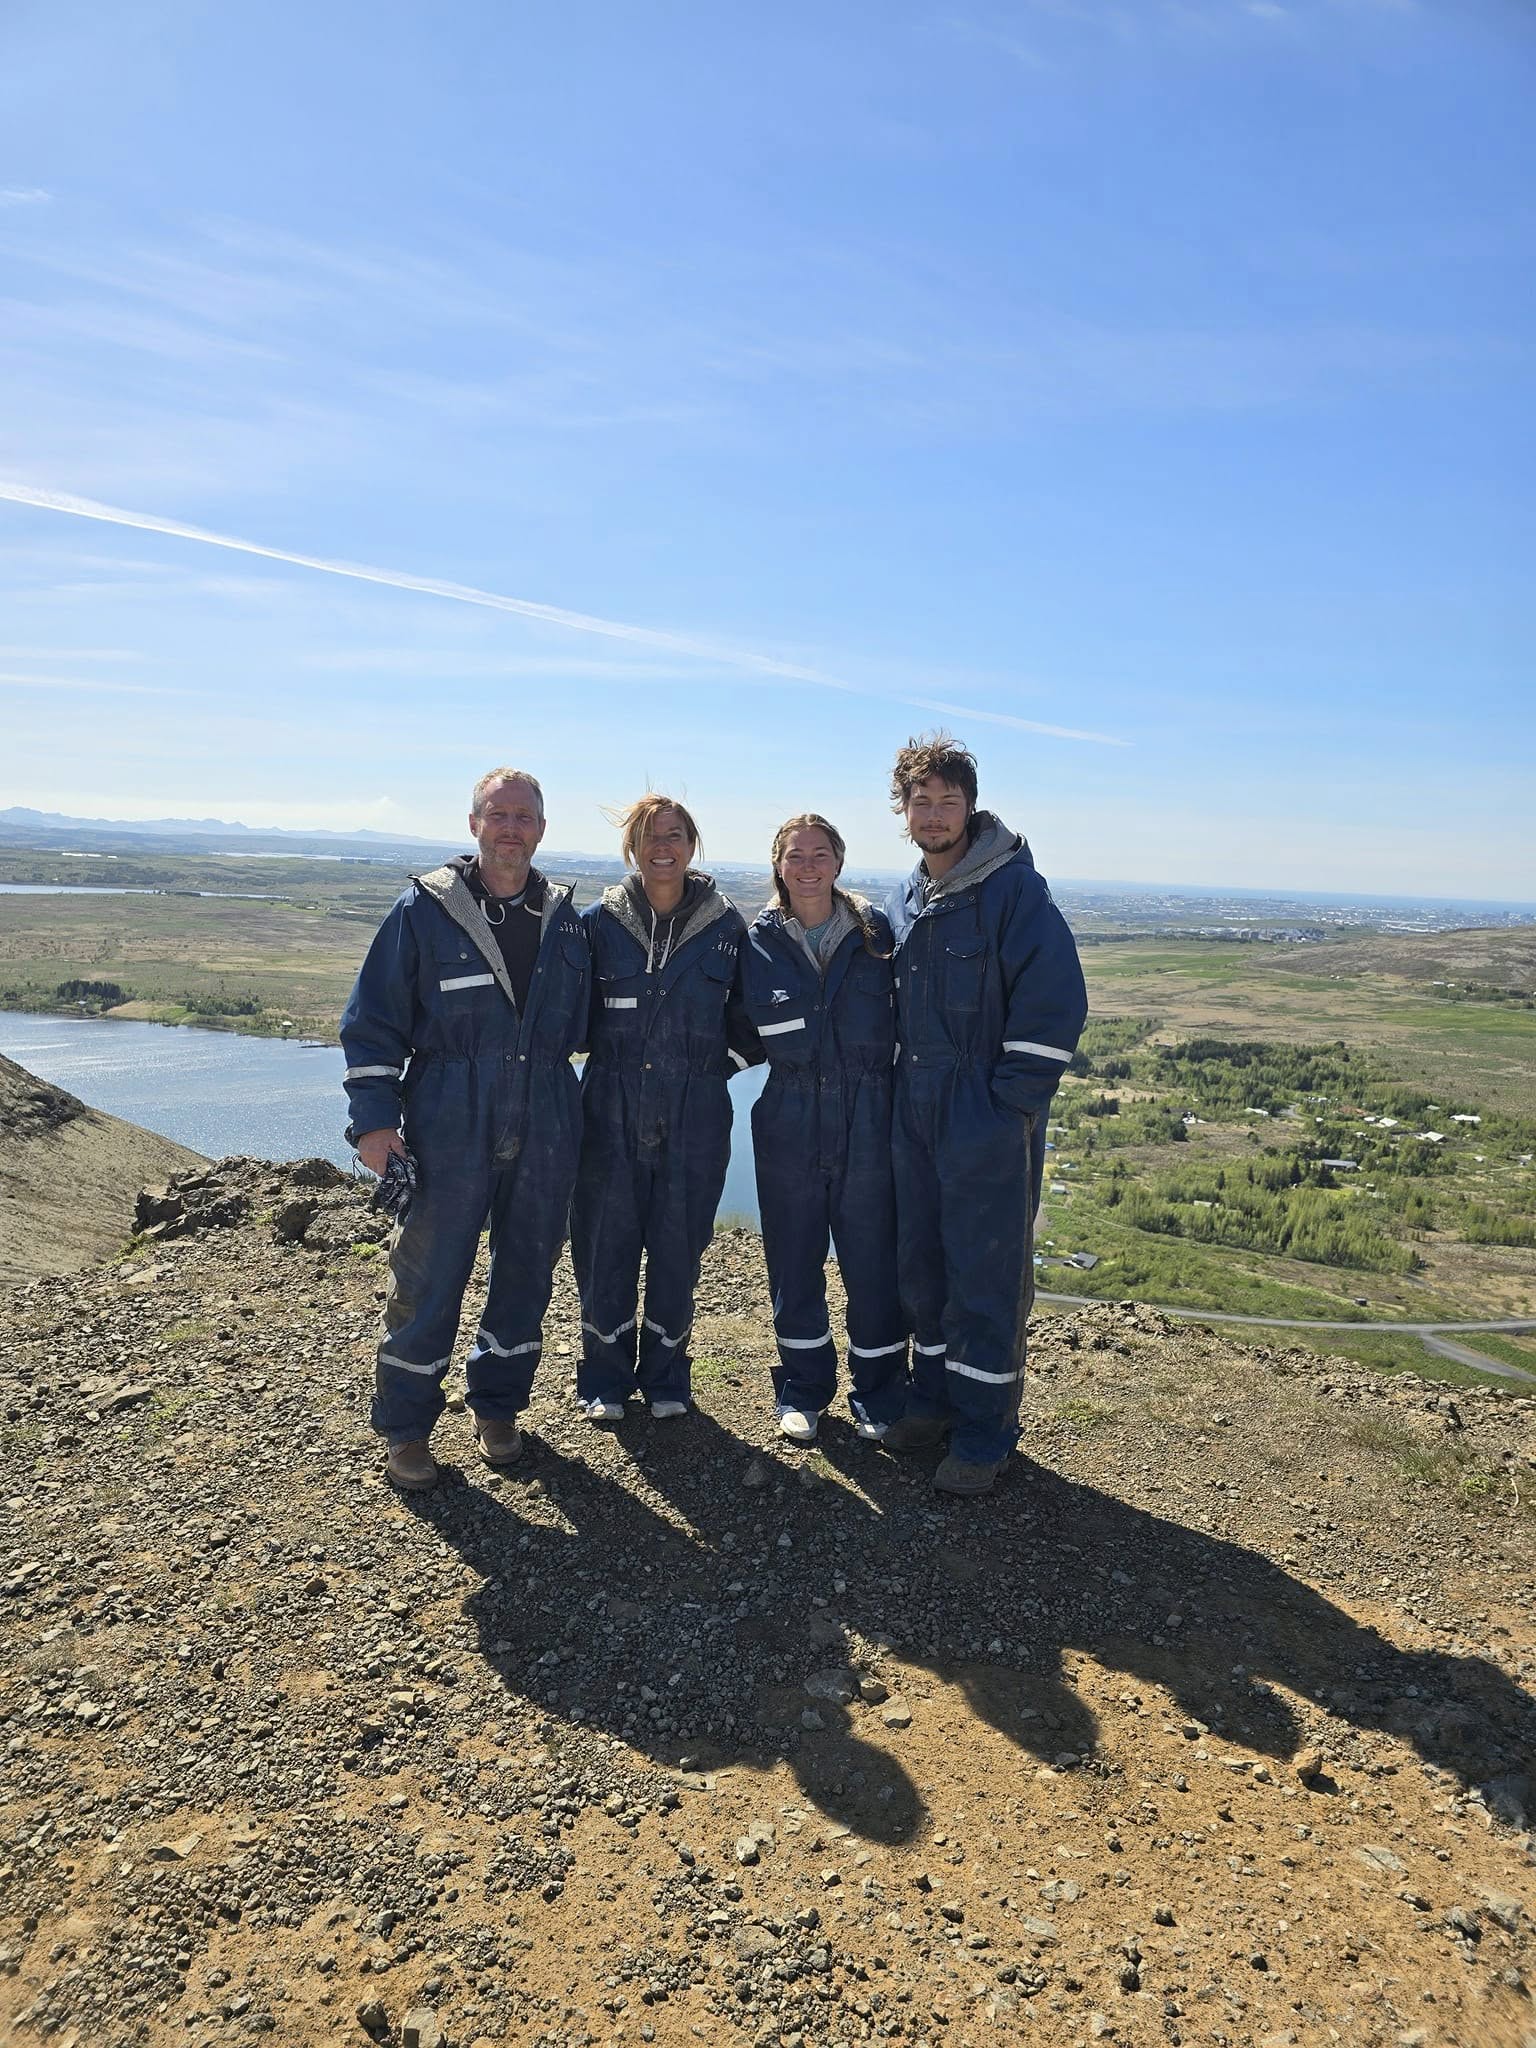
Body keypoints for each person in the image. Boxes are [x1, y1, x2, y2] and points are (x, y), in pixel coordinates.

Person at [341, 768, 590, 1491]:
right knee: (429, 1274)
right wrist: (373, 1124)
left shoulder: (567, 918)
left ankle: (498, 1408)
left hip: (546, 1110)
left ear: (541, 829)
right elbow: (373, 1022)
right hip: (451, 1111)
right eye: (498, 814)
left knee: (526, 1273)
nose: (511, 827)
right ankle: (407, 1429)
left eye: (525, 816)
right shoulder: (424, 910)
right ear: (474, 822)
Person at [882, 733, 1087, 1496]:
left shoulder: (1011, 892)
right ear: (902, 809)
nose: (934, 814)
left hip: (982, 1117)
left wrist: (1008, 1108)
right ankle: (932, 1402)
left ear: (970, 805)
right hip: (915, 1114)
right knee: (922, 1267)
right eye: (920, 801)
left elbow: (1055, 1002)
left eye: (947, 800)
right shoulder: (908, 897)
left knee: (986, 1273)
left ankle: (984, 1431)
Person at [570, 795, 758, 1421]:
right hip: (609, 1107)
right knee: (604, 1243)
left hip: (695, 1113)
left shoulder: (727, 928)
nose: (663, 846)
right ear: (632, 847)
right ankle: (603, 1379)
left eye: (674, 835)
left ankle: (668, 1378)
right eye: (650, 836)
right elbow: (568, 1013)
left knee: (680, 1246)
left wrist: (714, 1071)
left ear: (692, 844)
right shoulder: (599, 923)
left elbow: (755, 1018)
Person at [741, 813, 908, 1443]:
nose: (807, 866)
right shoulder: (756, 941)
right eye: (794, 855)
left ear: (839, 862)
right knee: (793, 1257)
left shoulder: (876, 934)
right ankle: (803, 1391)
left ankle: (880, 1394)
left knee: (872, 1260)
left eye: (819, 854)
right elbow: (732, 1025)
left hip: (869, 1114)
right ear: (778, 866)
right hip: (789, 1115)